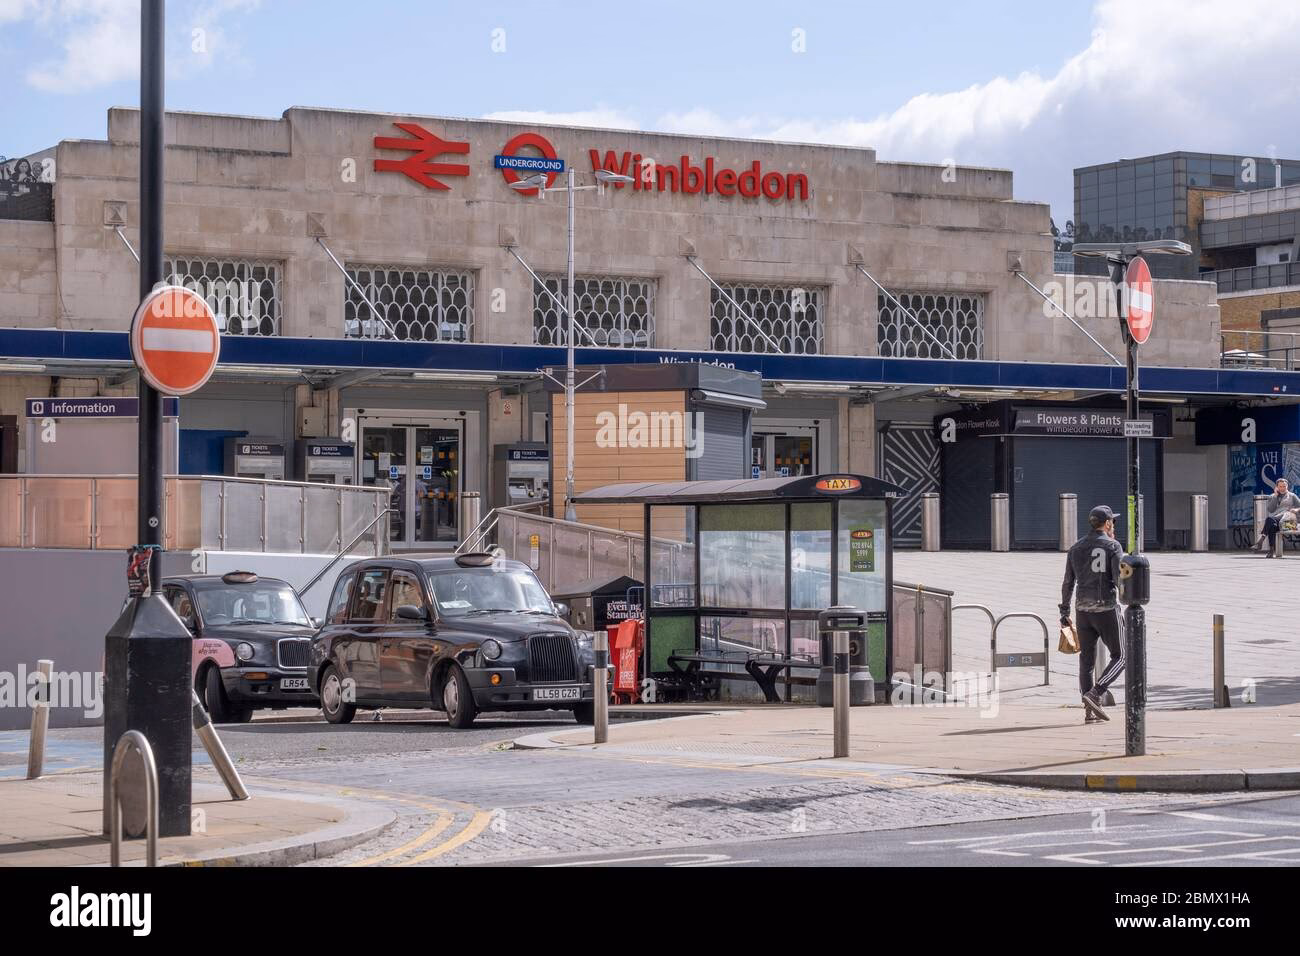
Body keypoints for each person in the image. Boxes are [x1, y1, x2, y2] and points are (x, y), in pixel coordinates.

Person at [1059, 504, 1126, 723]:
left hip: (1082, 610)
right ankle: (1096, 693)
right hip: (1106, 607)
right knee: (1122, 656)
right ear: (1107, 523)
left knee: (1086, 661)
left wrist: (1064, 610)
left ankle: (1088, 711)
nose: (1113, 525)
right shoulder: (1113, 546)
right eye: (1112, 521)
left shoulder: (1076, 548)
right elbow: (1118, 578)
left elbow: (1068, 582)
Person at [1252, 478, 1300, 557]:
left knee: (1270, 520)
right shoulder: (1272, 496)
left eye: (1284, 486)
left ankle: (1261, 541)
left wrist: (1296, 509)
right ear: (1277, 487)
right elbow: (1271, 509)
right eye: (1280, 486)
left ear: (1287, 486)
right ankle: (1271, 550)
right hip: (1277, 522)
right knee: (1272, 525)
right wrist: (1275, 496)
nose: (1282, 488)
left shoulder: (1292, 496)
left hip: (1289, 524)